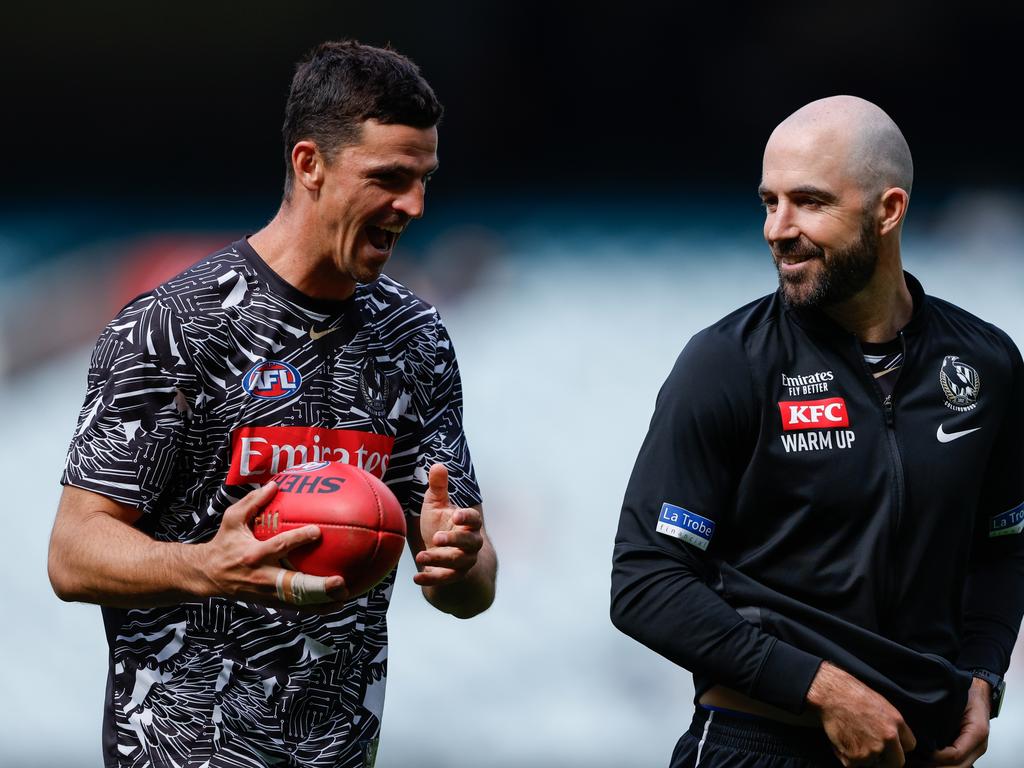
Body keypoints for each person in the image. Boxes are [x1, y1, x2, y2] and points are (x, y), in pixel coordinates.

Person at [48, 40, 497, 768]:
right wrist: (206, 566)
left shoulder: (416, 338)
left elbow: (472, 588)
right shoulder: (174, 326)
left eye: (424, 180)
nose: (412, 206)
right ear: (310, 164)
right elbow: (72, 554)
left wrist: (462, 562)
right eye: (388, 178)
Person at [610, 95, 1023, 768]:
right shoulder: (726, 362)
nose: (778, 228)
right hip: (759, 745)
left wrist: (984, 674)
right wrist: (821, 690)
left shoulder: (985, 362)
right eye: (769, 202)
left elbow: (1004, 547)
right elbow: (646, 581)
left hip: (921, 754)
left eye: (809, 202)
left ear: (889, 211)